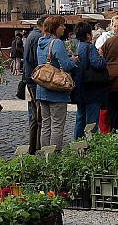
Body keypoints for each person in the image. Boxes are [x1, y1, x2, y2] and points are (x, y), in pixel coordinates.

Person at [35, 16, 77, 150]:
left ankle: (45, 155)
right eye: (62, 25)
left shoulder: (40, 42)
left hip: (42, 88)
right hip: (56, 89)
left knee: (46, 125)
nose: (64, 28)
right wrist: (74, 60)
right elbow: (66, 65)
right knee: (57, 125)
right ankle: (54, 155)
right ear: (55, 28)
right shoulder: (56, 43)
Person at [72, 22, 107, 139]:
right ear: (88, 35)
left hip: (79, 86)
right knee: (91, 120)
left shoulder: (77, 46)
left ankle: (77, 142)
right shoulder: (89, 47)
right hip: (91, 88)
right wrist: (102, 56)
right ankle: (90, 142)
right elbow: (97, 64)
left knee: (80, 117)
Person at [23, 15, 48, 154]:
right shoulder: (38, 37)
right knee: (37, 115)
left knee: (34, 114)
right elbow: (36, 60)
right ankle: (35, 147)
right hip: (34, 80)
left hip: (29, 78)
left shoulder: (32, 35)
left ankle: (35, 146)